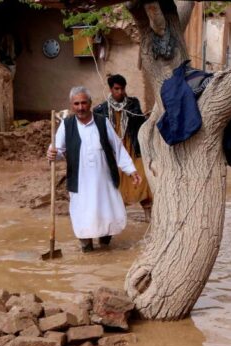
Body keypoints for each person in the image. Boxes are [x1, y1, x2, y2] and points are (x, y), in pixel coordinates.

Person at [47, 86, 141, 252]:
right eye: (76, 104)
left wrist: (131, 170)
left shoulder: (102, 122)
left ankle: (105, 246)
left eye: (84, 103)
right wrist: (52, 154)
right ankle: (87, 248)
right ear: (71, 105)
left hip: (103, 180)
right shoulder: (66, 125)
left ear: (90, 103)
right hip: (80, 181)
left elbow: (118, 148)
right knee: (83, 215)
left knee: (106, 214)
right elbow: (58, 151)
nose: (80, 107)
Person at [93, 74, 153, 221]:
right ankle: (118, 218)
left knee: (142, 178)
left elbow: (140, 123)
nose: (120, 92)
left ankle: (148, 215)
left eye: (122, 88)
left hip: (132, 147)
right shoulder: (101, 109)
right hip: (113, 152)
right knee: (116, 183)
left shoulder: (133, 104)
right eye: (116, 89)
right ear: (111, 89)